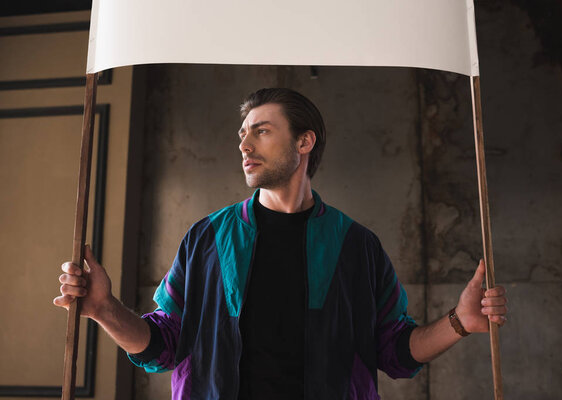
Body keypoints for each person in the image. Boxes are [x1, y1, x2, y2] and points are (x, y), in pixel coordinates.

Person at [54, 88, 507, 400]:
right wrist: (103, 308)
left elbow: (393, 350)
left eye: (262, 130)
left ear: (304, 141)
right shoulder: (207, 237)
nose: (245, 144)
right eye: (243, 133)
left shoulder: (357, 246)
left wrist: (461, 322)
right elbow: (164, 345)